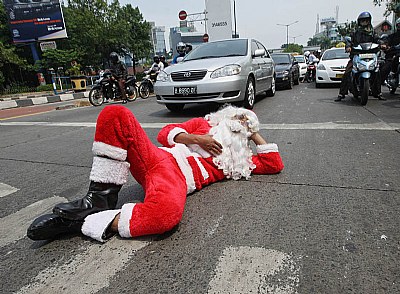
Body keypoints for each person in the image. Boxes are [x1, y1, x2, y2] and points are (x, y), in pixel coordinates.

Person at [27, 105, 284, 242]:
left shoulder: (239, 162)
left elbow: (274, 164)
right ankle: (99, 198)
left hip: (176, 180)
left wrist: (254, 132)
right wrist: (197, 139)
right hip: (160, 158)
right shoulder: (203, 125)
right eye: (239, 119)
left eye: (245, 126)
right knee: (115, 114)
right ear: (226, 116)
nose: (239, 125)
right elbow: (165, 133)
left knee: (165, 217)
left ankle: (83, 221)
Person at [336, 11, 384, 102]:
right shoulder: (355, 33)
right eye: (362, 21)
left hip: (371, 55)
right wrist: (348, 47)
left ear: (369, 21)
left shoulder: (373, 32)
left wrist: (382, 44)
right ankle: (341, 94)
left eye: (366, 21)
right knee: (347, 72)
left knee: (377, 71)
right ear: (359, 22)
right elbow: (349, 41)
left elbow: (378, 40)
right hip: (357, 55)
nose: (364, 23)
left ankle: (378, 93)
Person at [380, 19, 400, 85]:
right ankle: (377, 89)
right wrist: (385, 45)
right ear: (397, 26)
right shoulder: (392, 36)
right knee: (385, 69)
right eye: (399, 25)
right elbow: (386, 43)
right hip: (393, 55)